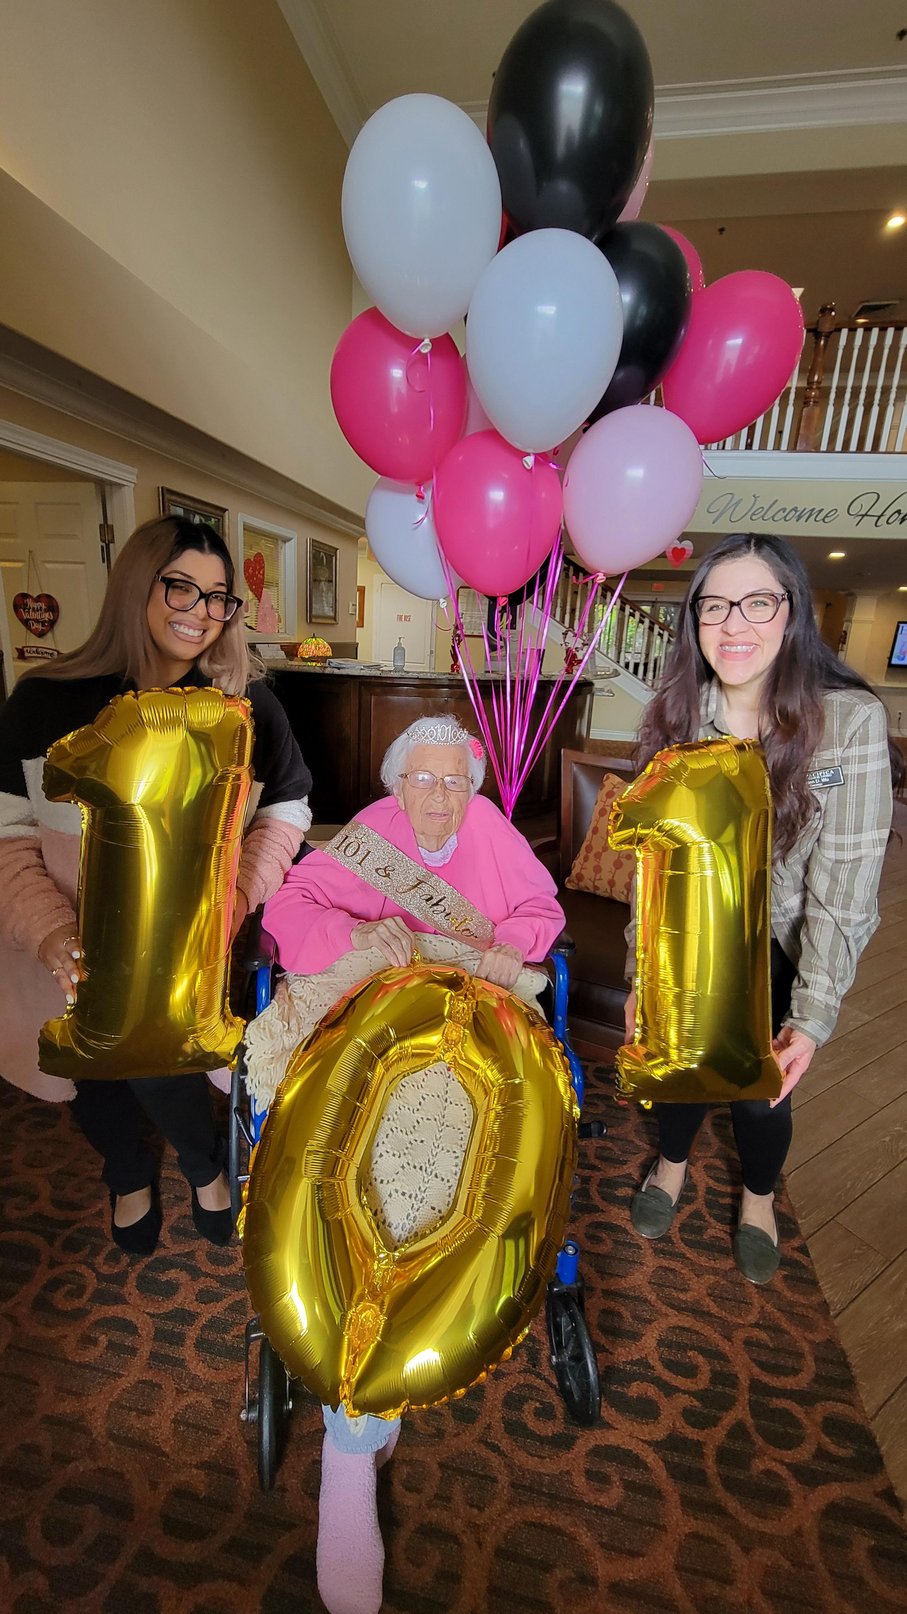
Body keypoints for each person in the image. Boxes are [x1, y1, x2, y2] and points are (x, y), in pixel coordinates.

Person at [257, 713, 565, 1614]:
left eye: (455, 780)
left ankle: (351, 1434)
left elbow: (540, 915)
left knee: (435, 1164)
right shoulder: (372, 833)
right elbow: (291, 908)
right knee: (341, 1149)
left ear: (474, 787)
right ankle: (353, 1436)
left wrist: (498, 950)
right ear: (396, 785)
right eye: (422, 780)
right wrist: (362, 944)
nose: (439, 796)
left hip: (462, 1028)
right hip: (369, 1016)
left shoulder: (492, 833)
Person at [0, 515, 312, 1256]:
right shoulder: (45, 701)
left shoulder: (245, 706)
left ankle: (203, 1165)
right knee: (91, 1068)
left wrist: (237, 898)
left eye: (218, 597)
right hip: (63, 933)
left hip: (185, 948)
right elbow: (6, 834)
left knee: (165, 1056)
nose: (201, 612)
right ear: (139, 583)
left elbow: (290, 805)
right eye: (182, 586)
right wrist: (47, 929)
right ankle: (126, 1170)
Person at [625, 531, 900, 1285]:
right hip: (688, 940)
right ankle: (669, 1168)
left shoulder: (845, 726)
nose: (733, 624)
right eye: (714, 606)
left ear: (791, 614)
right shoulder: (676, 721)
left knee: (759, 1102)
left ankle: (756, 1200)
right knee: (679, 1074)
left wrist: (809, 1016)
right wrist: (640, 978)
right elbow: (655, 869)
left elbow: (843, 886)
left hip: (783, 944)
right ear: (694, 622)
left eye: (756, 602)